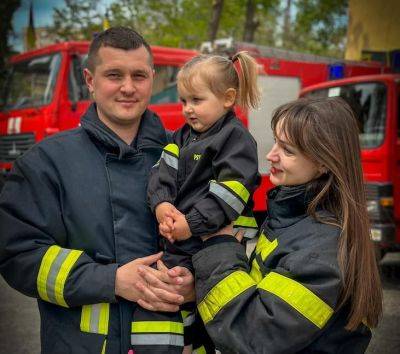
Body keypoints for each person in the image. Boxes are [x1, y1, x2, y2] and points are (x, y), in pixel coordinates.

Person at [0, 27, 193, 354]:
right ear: (90, 80)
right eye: (114, 75)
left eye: (139, 76)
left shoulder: (188, 156)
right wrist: (111, 281)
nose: (128, 88)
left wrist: (197, 281)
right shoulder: (45, 163)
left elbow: (224, 235)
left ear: (153, 78)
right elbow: (18, 254)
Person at [187, 97, 383, 353]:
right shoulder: (294, 217)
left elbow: (253, 337)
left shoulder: (320, 251)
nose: (270, 155)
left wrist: (218, 249)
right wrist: (199, 287)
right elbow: (262, 291)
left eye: (287, 150)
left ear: (324, 163)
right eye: (275, 142)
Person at [138, 52, 261, 353]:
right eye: (183, 101)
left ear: (228, 98)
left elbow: (231, 193)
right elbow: (161, 172)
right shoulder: (182, 136)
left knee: (205, 307)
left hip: (212, 243)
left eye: (196, 100)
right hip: (179, 239)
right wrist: (161, 205)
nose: (188, 110)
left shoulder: (236, 139)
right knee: (167, 295)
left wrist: (189, 225)